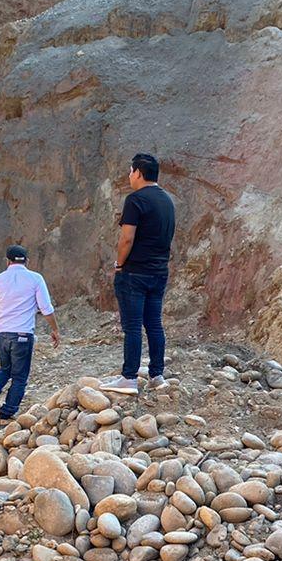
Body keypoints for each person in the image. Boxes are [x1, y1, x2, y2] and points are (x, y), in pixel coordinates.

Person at [101, 152, 176, 394]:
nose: (129, 175)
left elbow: (127, 238)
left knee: (132, 326)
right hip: (159, 271)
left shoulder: (135, 200)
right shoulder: (167, 200)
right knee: (154, 324)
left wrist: (119, 264)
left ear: (139, 173)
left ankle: (129, 378)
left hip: (134, 273)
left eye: (131, 171)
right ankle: (157, 374)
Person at [0, 245, 60, 421]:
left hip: (1, 334)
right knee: (19, 377)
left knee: (6, 368)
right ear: (27, 261)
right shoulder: (35, 279)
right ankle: (6, 414)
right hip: (22, 335)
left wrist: (2, 325)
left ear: (7, 261)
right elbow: (46, 308)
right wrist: (55, 329)